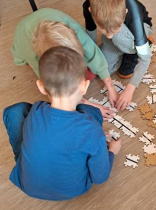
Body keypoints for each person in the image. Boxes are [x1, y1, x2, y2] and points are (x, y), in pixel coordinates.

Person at [3, 46, 122, 201]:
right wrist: (111, 151)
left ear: (41, 86)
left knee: (16, 110)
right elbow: (100, 177)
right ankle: (92, 146)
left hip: (28, 185)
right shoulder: (92, 129)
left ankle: (25, 163)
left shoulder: (36, 111)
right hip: (73, 189)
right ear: (85, 86)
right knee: (91, 113)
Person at [11, 8, 118, 119]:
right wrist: (89, 105)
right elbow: (54, 89)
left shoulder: (73, 30)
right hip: (22, 37)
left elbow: (93, 52)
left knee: (89, 74)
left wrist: (110, 87)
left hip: (50, 15)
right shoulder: (30, 53)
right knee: (30, 65)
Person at [83, 0, 154, 110]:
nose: (109, 36)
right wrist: (92, 54)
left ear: (125, 12)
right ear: (91, 11)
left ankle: (136, 49)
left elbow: (145, 59)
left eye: (112, 31)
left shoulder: (134, 18)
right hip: (120, 36)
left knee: (118, 37)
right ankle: (123, 46)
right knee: (106, 69)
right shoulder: (89, 5)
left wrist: (130, 89)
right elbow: (90, 32)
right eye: (105, 31)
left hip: (141, 28)